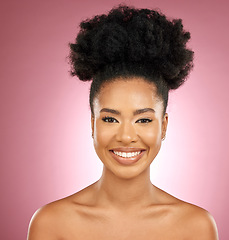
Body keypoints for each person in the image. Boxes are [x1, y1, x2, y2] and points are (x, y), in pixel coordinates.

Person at [27, 5, 218, 239]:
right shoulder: (51, 224)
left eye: (144, 119)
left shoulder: (196, 227)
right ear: (92, 124)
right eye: (110, 119)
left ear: (164, 126)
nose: (126, 136)